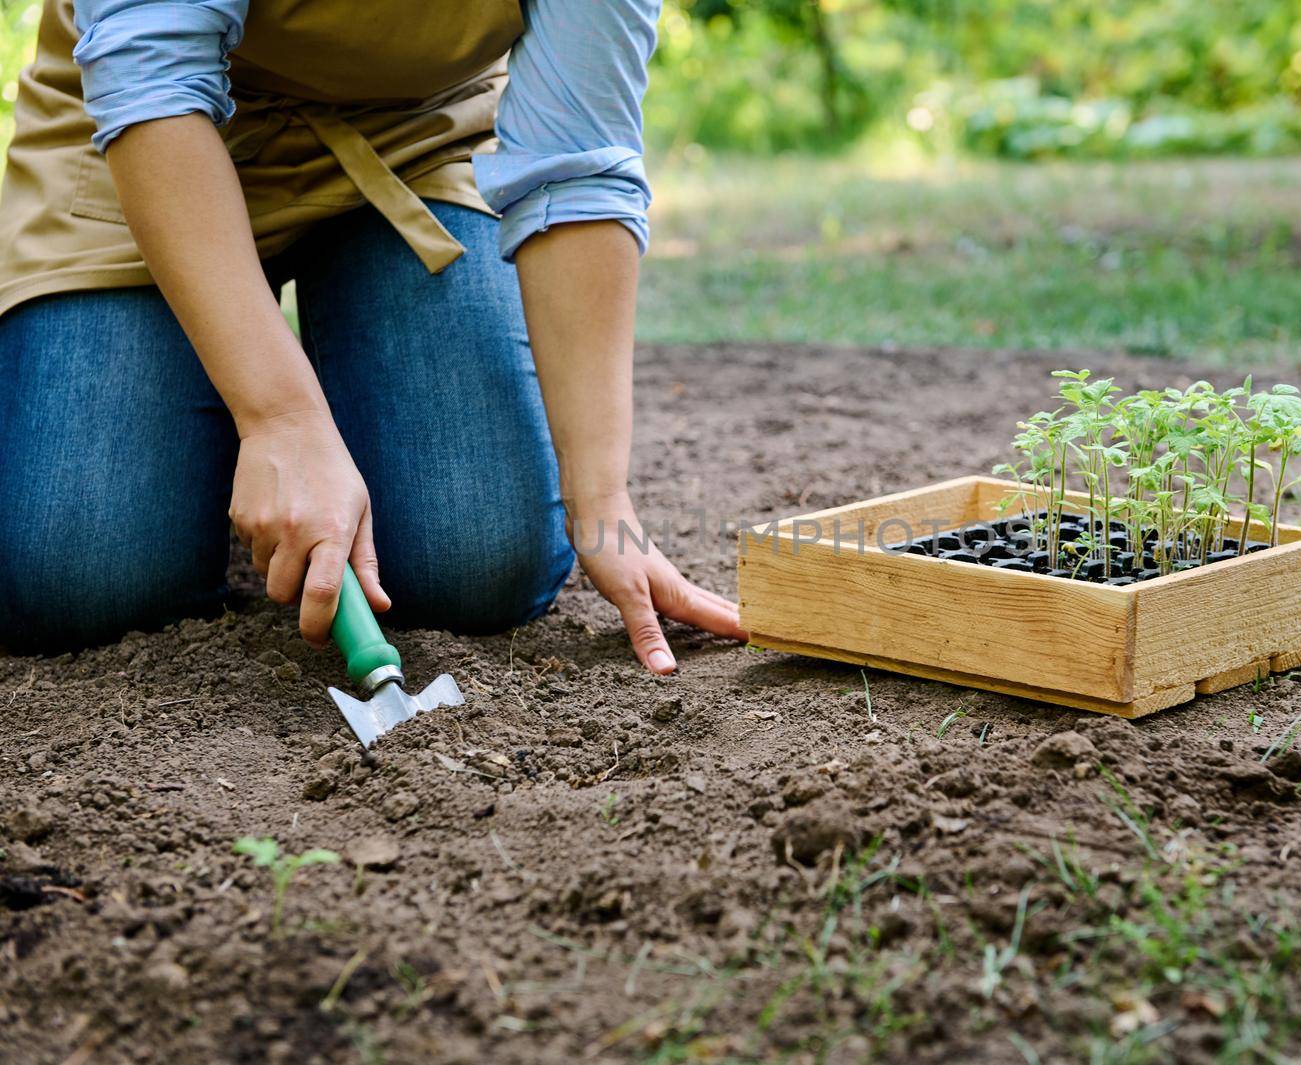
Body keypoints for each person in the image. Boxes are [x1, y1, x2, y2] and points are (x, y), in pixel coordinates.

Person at [0, 0, 746, 668]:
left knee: (475, 563)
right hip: (138, 131)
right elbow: (149, 75)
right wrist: (279, 418)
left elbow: (576, 165)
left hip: (412, 134)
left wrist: (601, 494)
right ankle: (252, 424)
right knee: (77, 575)